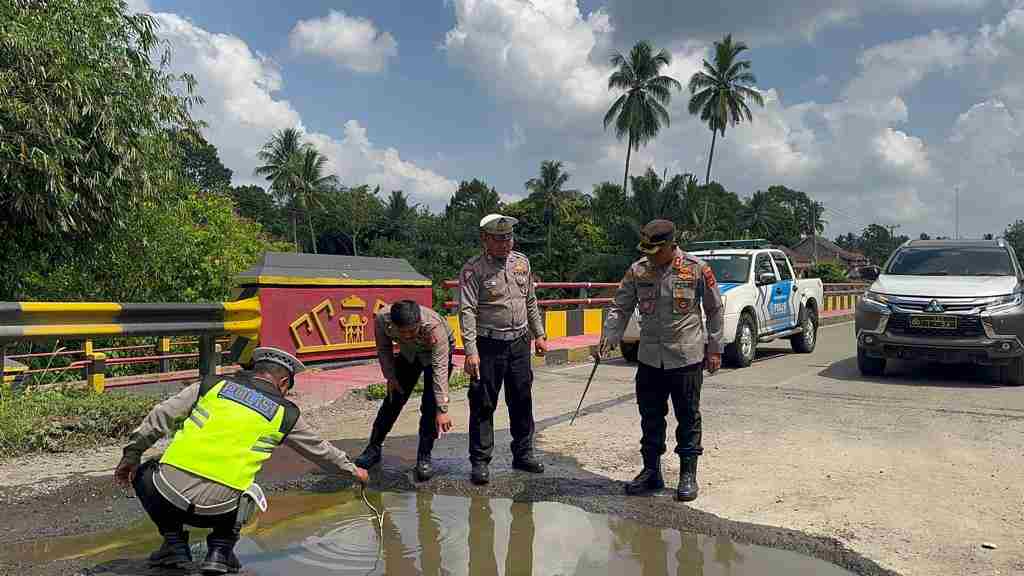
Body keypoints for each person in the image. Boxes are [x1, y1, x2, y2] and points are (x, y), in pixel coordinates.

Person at [114, 347, 368, 575]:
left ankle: (174, 543)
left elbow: (161, 416)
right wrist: (353, 471)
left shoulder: (211, 385)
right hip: (220, 510)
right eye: (288, 387)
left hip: (166, 496)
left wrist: (131, 456)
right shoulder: (285, 413)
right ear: (282, 382)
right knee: (253, 490)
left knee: (145, 470)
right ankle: (220, 552)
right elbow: (320, 451)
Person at [596, 219, 724, 502]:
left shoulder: (696, 269)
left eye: (655, 249)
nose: (650, 255)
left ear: (670, 245)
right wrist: (610, 335)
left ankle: (687, 475)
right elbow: (620, 305)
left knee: (688, 417)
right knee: (650, 418)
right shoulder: (638, 270)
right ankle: (651, 471)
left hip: (686, 357)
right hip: (650, 358)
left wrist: (714, 349)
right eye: (647, 250)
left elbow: (715, 309)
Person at [459, 213, 548, 485]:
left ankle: (523, 454)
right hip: (488, 345)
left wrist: (540, 334)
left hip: (520, 342)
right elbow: (467, 310)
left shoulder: (522, 263)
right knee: (483, 402)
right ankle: (480, 461)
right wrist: (471, 351)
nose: (505, 243)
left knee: (522, 400)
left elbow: (530, 301)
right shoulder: (473, 269)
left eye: (508, 237)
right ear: (485, 239)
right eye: (498, 238)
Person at [353, 299, 456, 482]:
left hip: (435, 355)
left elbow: (440, 368)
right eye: (403, 332)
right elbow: (383, 349)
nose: (407, 335)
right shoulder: (382, 320)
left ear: (419, 323)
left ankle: (424, 457)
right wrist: (390, 377)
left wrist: (442, 409)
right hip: (409, 354)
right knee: (393, 400)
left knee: (430, 406)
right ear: (393, 324)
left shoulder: (434, 327)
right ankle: (373, 449)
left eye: (412, 331)